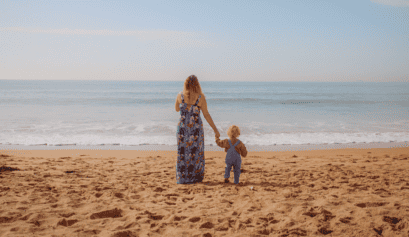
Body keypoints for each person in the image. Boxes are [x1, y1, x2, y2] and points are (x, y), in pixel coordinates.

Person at [175, 75, 220, 184]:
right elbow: (206, 115)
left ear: (185, 84)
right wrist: (215, 130)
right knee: (196, 152)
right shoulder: (201, 97)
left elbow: (177, 109)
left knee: (182, 152)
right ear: (197, 85)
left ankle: (183, 178)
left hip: (182, 128)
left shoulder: (180, 95)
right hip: (195, 129)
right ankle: (195, 177)